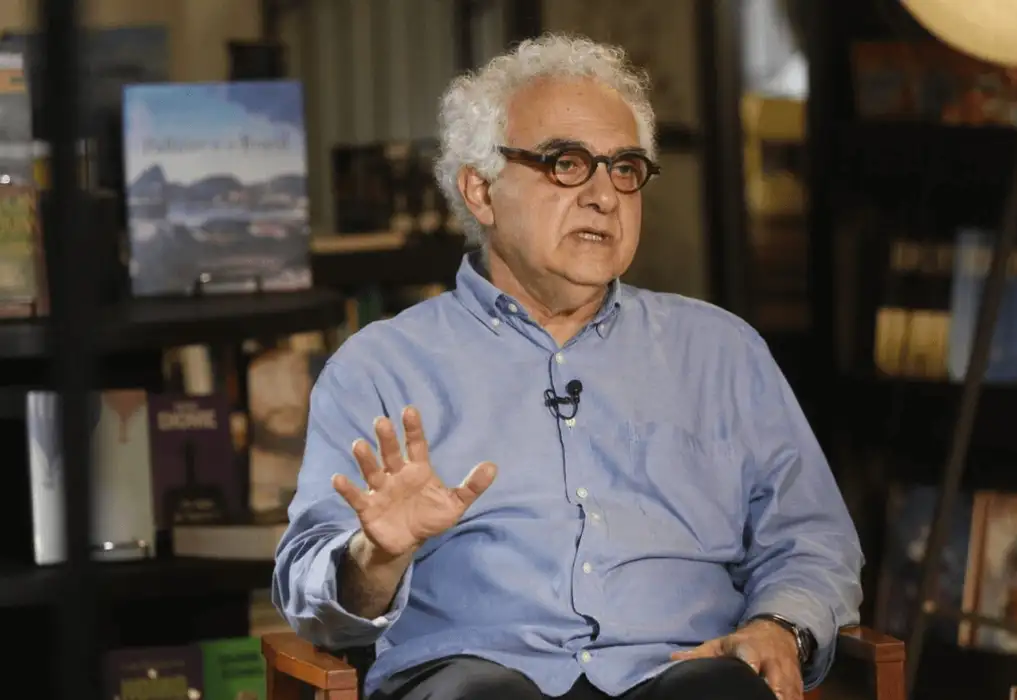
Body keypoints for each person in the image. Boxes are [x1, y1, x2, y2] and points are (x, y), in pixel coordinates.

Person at [273, 33, 862, 700]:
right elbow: (309, 598)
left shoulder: (721, 352)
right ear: (480, 190)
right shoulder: (381, 367)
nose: (604, 196)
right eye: (567, 164)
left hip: (683, 667)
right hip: (476, 675)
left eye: (625, 169)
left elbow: (813, 539)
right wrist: (376, 557)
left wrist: (781, 626)